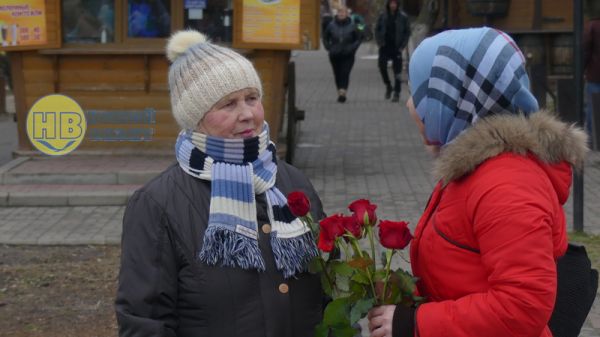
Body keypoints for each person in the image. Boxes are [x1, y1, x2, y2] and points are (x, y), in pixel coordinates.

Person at [367, 27, 588, 337]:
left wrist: (415, 323)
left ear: (454, 98)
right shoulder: (475, 168)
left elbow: (521, 307)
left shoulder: (505, 186)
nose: (409, 105)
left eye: (419, 93)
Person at [115, 30, 326, 337]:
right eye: (228, 104)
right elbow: (145, 322)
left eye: (252, 98)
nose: (247, 114)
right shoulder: (157, 204)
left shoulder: (292, 182)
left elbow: (327, 293)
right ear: (195, 117)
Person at [322, 6, 362, 103]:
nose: (341, 14)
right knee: (337, 74)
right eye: (340, 13)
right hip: (335, 54)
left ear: (347, 14)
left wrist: (353, 48)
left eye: (343, 13)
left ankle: (343, 92)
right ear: (337, 14)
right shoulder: (331, 25)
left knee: (345, 72)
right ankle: (340, 90)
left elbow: (358, 38)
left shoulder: (353, 25)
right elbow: (325, 37)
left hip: (348, 54)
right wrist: (329, 47)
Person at [375, 0, 410, 102]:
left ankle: (397, 93)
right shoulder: (383, 16)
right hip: (384, 46)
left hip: (397, 47)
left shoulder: (403, 17)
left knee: (397, 71)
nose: (393, 5)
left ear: (397, 5)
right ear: (388, 4)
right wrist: (379, 42)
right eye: (391, 3)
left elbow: (407, 32)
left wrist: (402, 45)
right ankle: (388, 85)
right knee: (382, 67)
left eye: (395, 3)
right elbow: (377, 29)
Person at [585, 15, 600, 148]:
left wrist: (582, 69)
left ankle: (591, 141)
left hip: (595, 74)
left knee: (592, 109)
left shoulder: (593, 26)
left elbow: (586, 51)